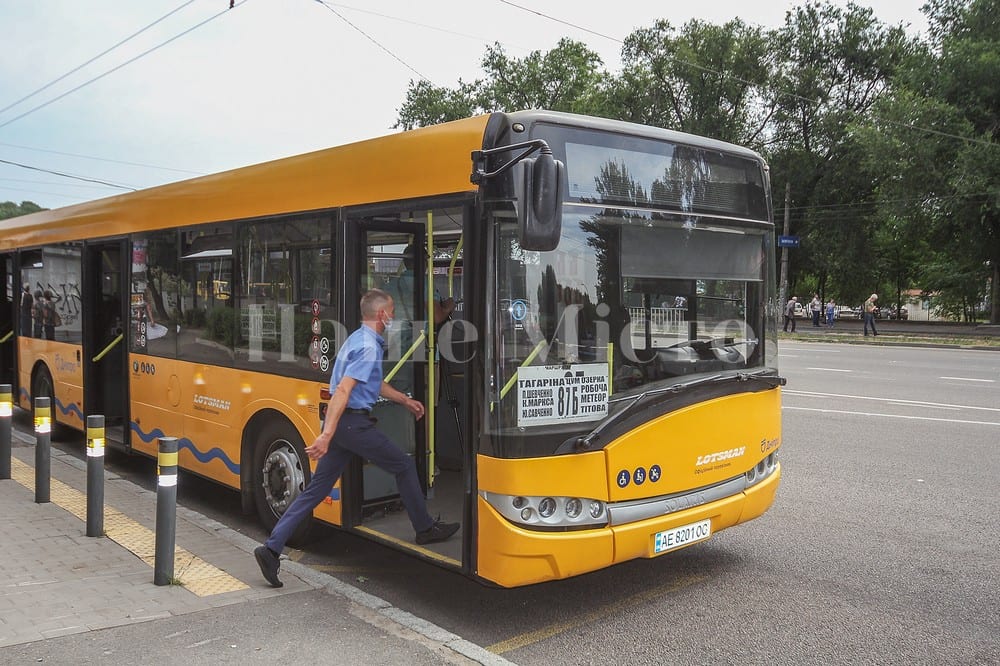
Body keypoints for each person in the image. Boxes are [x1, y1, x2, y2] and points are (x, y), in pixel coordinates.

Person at [254, 289, 459, 588]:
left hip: (345, 426)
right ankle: (425, 528)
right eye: (391, 311)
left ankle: (271, 549)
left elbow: (373, 384)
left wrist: (405, 400)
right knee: (403, 466)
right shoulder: (369, 348)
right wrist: (326, 435)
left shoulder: (357, 339)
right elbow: (343, 391)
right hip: (352, 426)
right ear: (382, 315)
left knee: (313, 491)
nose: (393, 317)